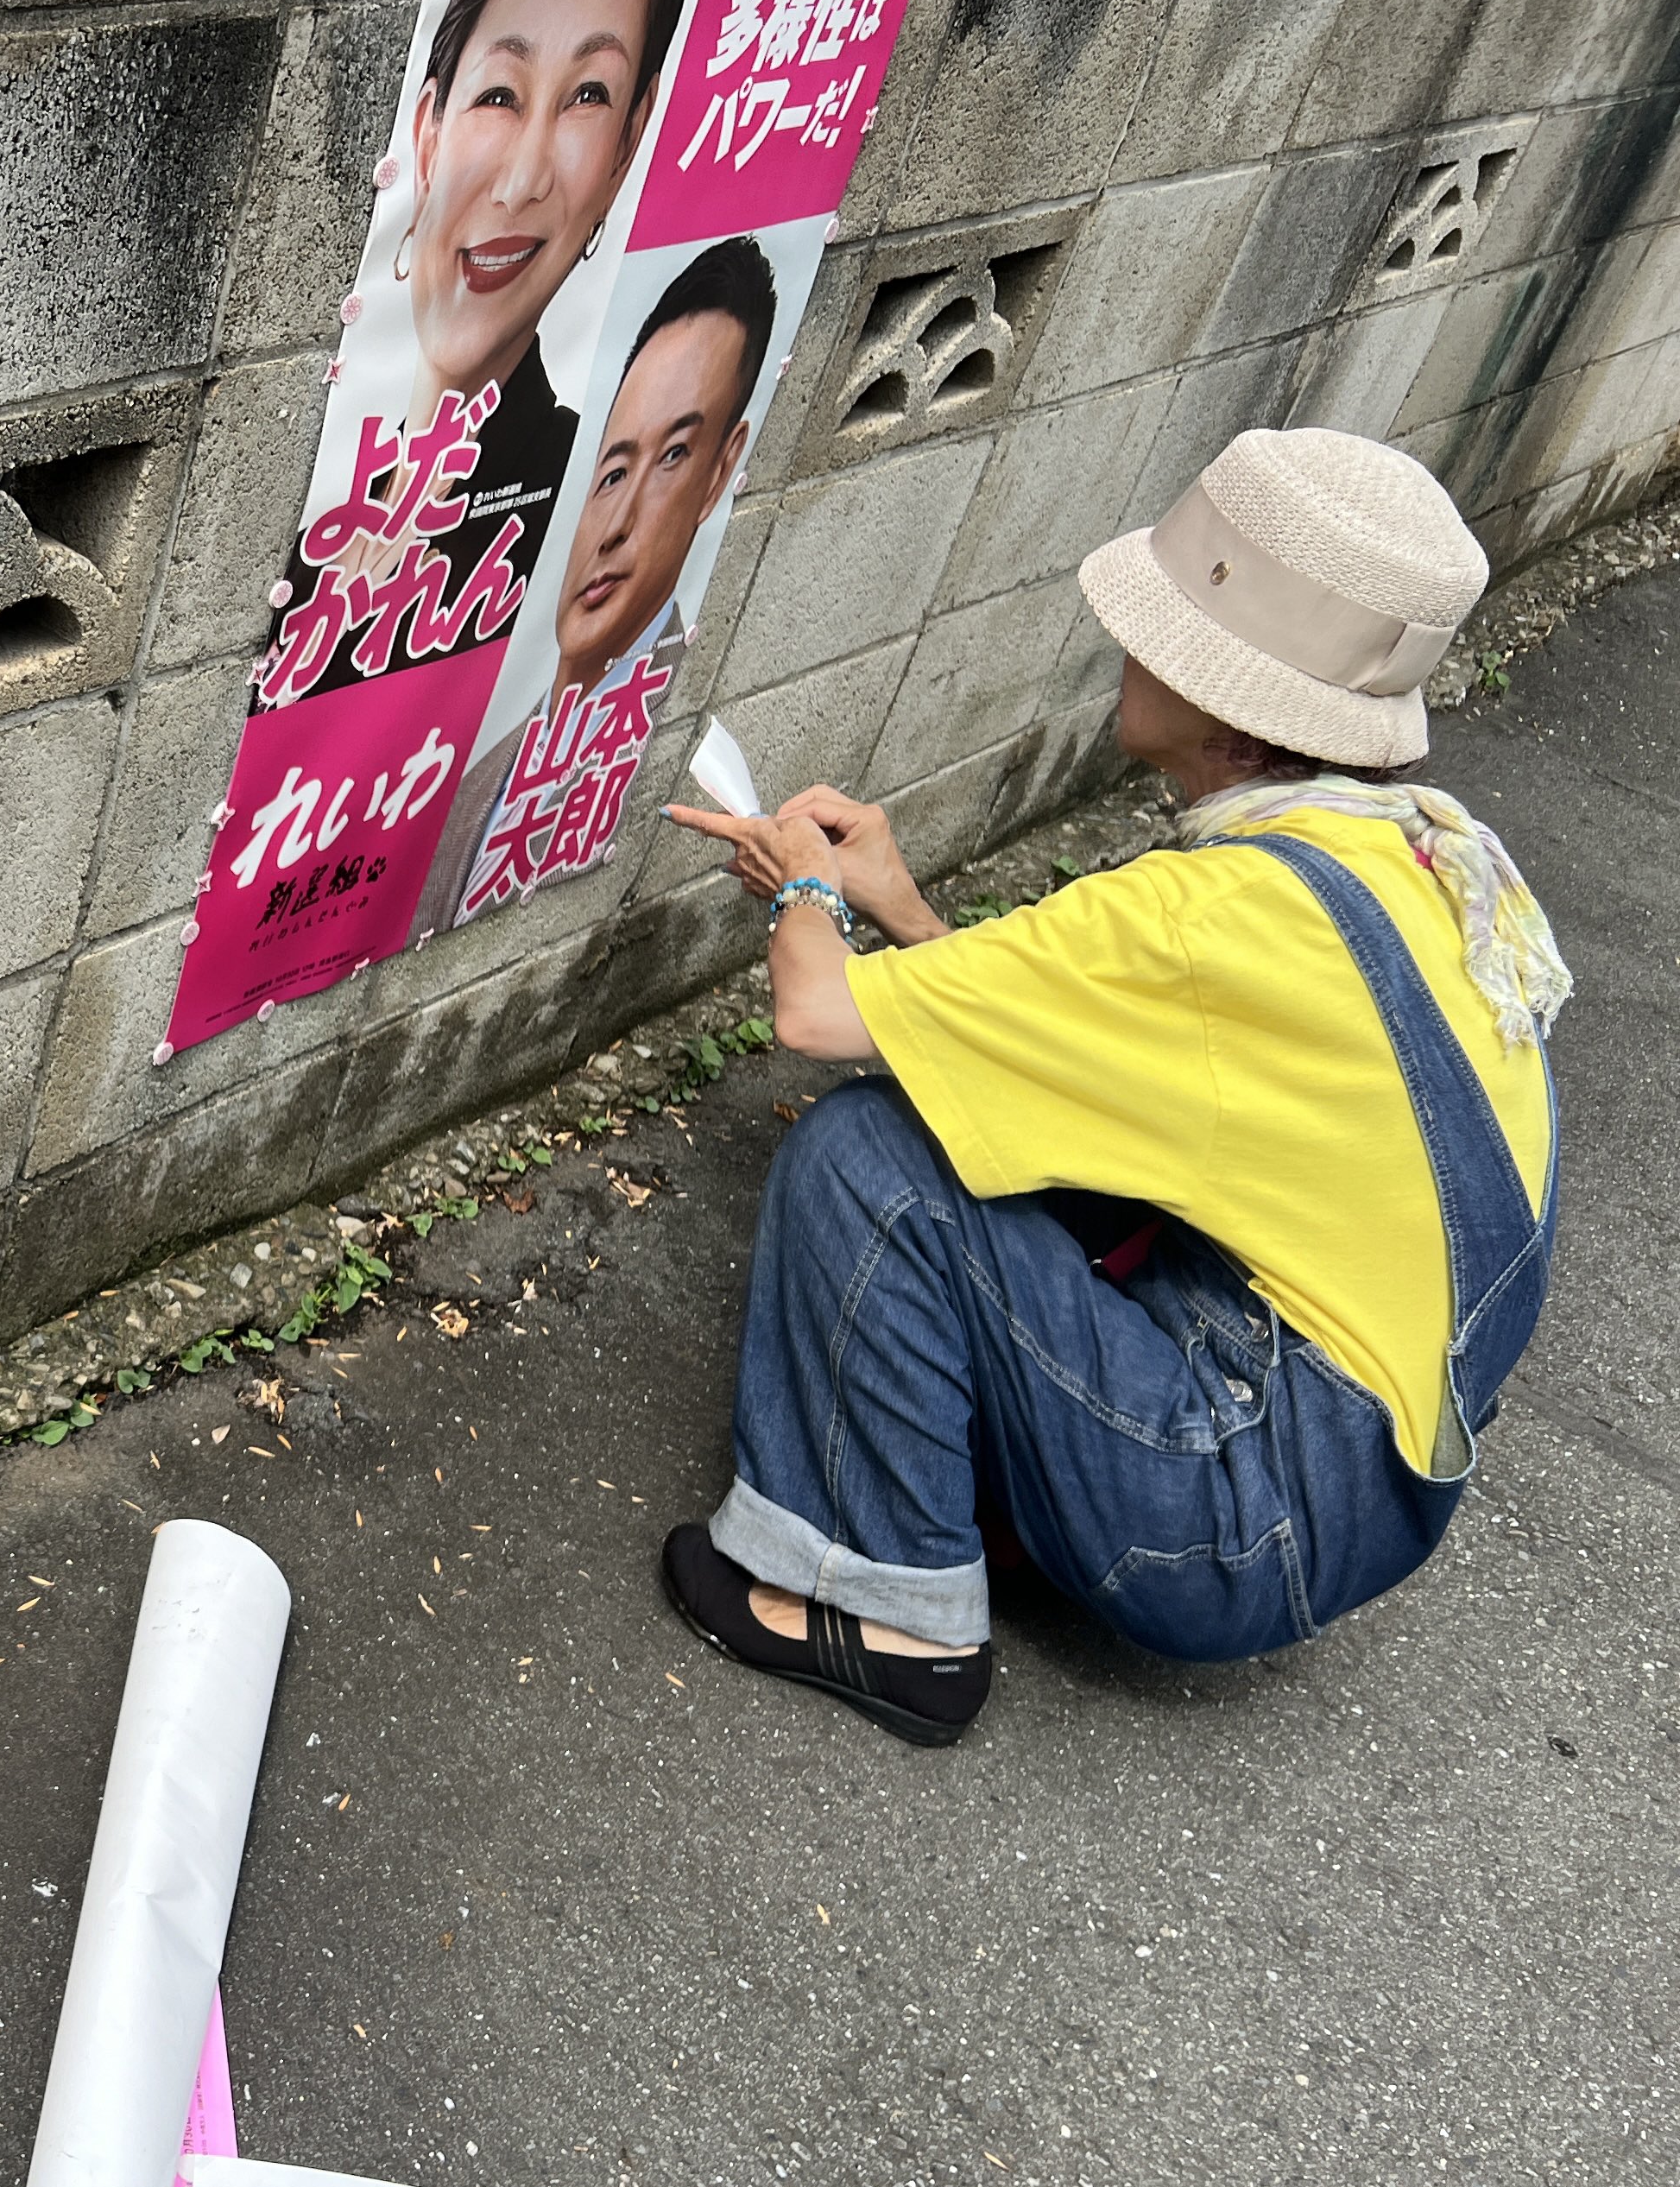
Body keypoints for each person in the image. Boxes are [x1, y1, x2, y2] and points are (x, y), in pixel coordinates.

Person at [657, 428, 1561, 1747]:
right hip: (1374, 1483)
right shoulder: (1402, 862)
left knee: (868, 1163)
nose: (1125, 645)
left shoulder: (1202, 917)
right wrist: (897, 902)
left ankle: (892, 1617)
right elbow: (1055, 1039)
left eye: (1158, 626)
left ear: (1222, 697)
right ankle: (1018, 1484)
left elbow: (816, 1012)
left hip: (1232, 1516)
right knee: (1028, 1127)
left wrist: (801, 881)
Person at [278, 0, 697, 698]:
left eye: (588, 96)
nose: (523, 181)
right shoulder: (325, 512)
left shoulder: (579, 509)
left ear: (626, 147)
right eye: (500, 95)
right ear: (428, 131)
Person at [430, 231, 774, 925]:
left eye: (673, 456)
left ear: (720, 471)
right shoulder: (474, 786)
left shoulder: (677, 735)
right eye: (613, 472)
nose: (615, 528)